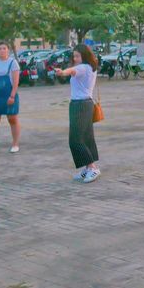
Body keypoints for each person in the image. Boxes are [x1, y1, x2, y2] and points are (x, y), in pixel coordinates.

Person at [54, 43, 101, 183]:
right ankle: (88, 168)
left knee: (75, 140)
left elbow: (71, 71)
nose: (75, 59)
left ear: (84, 56)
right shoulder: (90, 68)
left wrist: (62, 72)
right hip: (85, 104)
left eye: (77, 56)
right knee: (86, 137)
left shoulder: (83, 68)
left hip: (80, 105)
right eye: (74, 56)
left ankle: (92, 168)